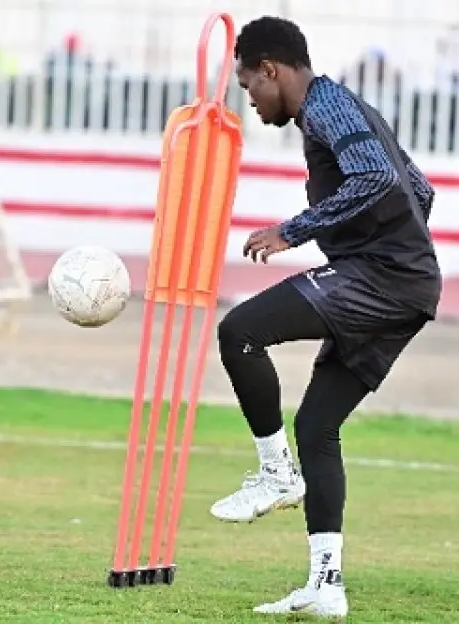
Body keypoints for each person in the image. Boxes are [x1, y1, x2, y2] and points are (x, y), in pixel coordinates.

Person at [209, 17, 440, 618]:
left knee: (240, 330)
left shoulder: (323, 107)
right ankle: (325, 587)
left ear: (270, 70)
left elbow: (380, 177)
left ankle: (274, 474)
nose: (251, 102)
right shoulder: (349, 107)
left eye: (249, 87)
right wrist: (391, 247)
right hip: (407, 287)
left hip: (381, 280)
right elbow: (420, 189)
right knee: (316, 428)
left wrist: (294, 230)